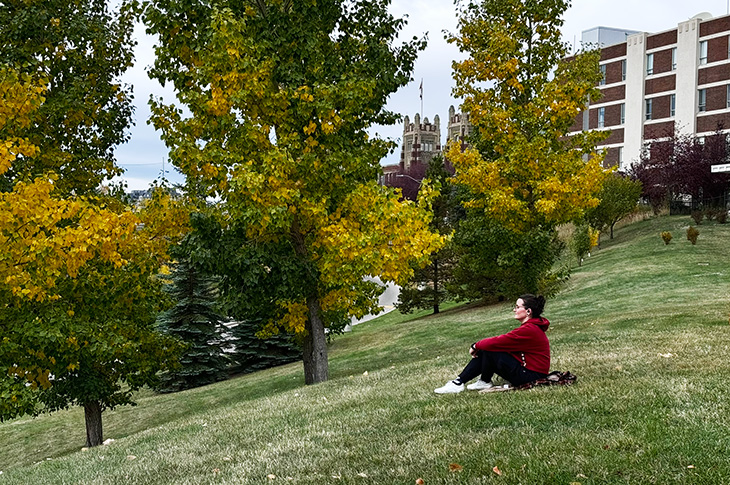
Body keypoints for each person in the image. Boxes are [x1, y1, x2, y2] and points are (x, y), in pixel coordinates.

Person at [434, 294, 550, 394]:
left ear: (528, 311)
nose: (514, 310)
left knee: (490, 348)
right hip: (531, 373)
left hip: (531, 376)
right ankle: (480, 381)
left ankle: (459, 383)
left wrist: (476, 346)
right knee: (489, 348)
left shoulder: (529, 330)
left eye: (517, 307)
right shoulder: (531, 328)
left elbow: (500, 341)